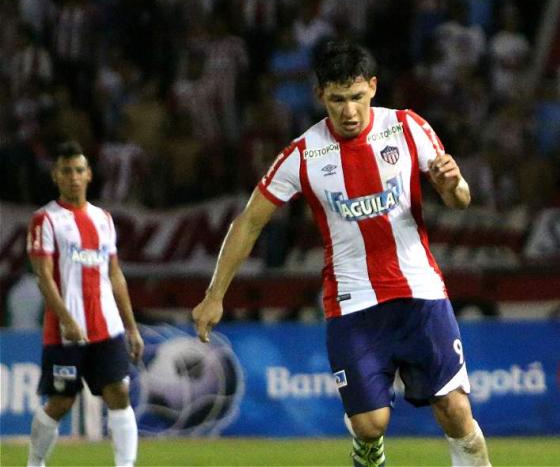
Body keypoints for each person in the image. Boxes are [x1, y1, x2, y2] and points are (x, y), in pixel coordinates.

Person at [191, 40, 491, 467]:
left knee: (455, 410)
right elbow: (250, 221)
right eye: (337, 99)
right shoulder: (303, 154)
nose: (349, 111)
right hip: (353, 301)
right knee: (370, 424)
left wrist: (452, 184)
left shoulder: (407, 127)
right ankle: (367, 448)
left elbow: (460, 198)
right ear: (320, 95)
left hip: (419, 291)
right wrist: (214, 294)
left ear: (373, 87)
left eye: (356, 96)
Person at [26, 142, 143, 467]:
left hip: (107, 327)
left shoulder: (103, 219)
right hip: (66, 332)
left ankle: (125, 465)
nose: (73, 177)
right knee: (61, 401)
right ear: (56, 176)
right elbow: (43, 277)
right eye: (66, 171)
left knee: (119, 394)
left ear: (89, 174)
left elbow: (115, 274)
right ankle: (34, 463)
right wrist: (66, 319)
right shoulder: (45, 220)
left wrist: (131, 327)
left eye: (79, 170)